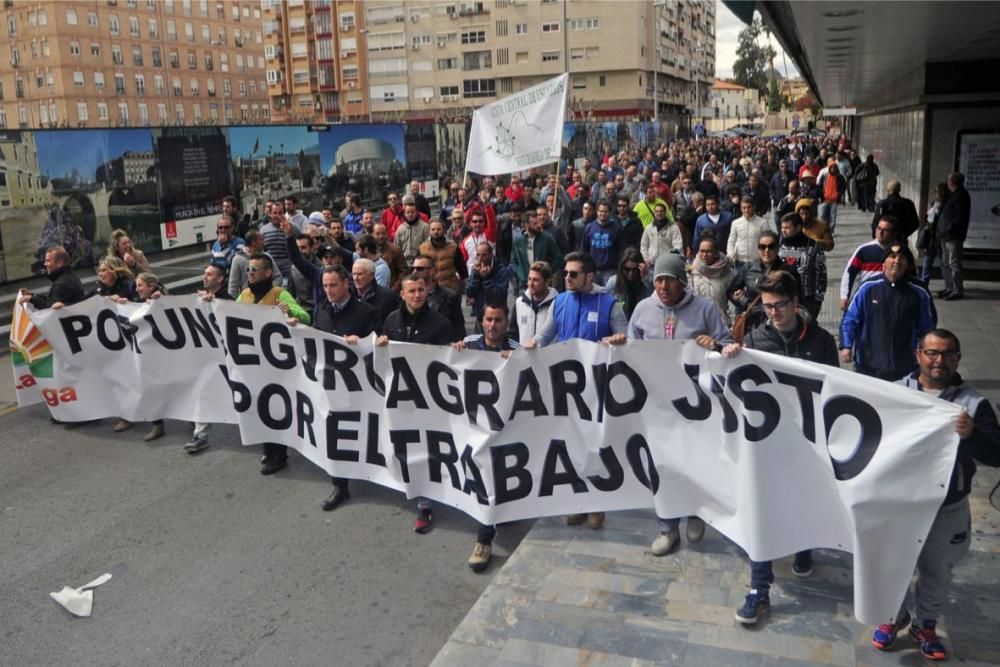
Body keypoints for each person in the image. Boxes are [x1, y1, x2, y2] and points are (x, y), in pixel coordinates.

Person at [870, 329, 1000, 661]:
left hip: (948, 507)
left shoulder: (974, 404)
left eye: (946, 354)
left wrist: (971, 435)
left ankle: (925, 626)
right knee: (892, 565)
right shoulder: (896, 393)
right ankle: (892, 617)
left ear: (957, 359)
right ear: (918, 355)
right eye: (931, 353)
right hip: (901, 504)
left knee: (938, 571)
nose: (938, 360)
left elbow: (996, 454)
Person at [722, 270, 839, 625]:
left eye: (780, 305)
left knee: (803, 498)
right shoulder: (756, 340)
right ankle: (760, 588)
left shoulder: (821, 341)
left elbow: (834, 387)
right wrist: (730, 356)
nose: (773, 313)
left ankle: (803, 547)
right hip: (768, 443)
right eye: (768, 306)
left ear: (795, 303)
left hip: (807, 440)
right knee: (763, 509)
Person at [626, 253, 732, 556]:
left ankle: (696, 514)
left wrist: (714, 346)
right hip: (656, 406)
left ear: (681, 281)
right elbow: (631, 347)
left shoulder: (705, 309)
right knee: (662, 467)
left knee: (696, 462)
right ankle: (667, 527)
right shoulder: (643, 310)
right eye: (658, 280)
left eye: (668, 279)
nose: (663, 286)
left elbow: (725, 343)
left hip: (696, 407)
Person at [526, 251, 629, 530]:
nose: (567, 278)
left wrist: (620, 339)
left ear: (590, 276)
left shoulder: (609, 304)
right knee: (570, 445)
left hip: (599, 387)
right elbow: (544, 336)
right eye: (566, 273)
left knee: (596, 445)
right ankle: (575, 502)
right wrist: (532, 345)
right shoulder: (560, 301)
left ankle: (596, 504)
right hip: (567, 386)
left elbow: (625, 338)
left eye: (573, 274)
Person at [289, 263, 380, 512]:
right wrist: (298, 329)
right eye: (325, 285)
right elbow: (316, 340)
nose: (328, 290)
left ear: (345, 284)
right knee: (334, 432)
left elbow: (380, 346)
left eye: (333, 285)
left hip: (361, 389)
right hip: (330, 387)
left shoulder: (366, 313)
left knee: (366, 431)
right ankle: (340, 484)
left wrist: (361, 343)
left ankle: (374, 470)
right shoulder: (322, 311)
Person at [376, 273, 453, 533]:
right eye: (412, 291)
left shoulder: (440, 323)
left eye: (421, 290)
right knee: (403, 445)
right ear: (403, 294)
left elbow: (449, 364)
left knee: (425, 449)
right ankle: (410, 484)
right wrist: (380, 345)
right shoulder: (391, 320)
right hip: (400, 397)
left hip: (429, 400)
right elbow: (382, 361)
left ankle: (425, 503)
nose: (418, 295)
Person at [452, 301, 520, 572]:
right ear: (481, 321)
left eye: (499, 320)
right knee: (484, 480)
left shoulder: (515, 349)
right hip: (473, 428)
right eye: (489, 320)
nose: (493, 326)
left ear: (506, 323)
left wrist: (521, 361)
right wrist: (454, 352)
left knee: (497, 479)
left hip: (503, 429)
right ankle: (484, 539)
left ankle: (490, 527)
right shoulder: (468, 344)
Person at [237, 254, 310, 475]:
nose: (249, 274)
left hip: (276, 365)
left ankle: (280, 454)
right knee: (260, 408)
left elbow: (305, 317)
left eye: (254, 270)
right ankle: (267, 449)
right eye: (248, 270)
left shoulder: (279, 294)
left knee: (276, 409)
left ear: (268, 273)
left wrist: (289, 312)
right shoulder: (245, 295)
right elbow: (230, 315)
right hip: (254, 364)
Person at [840, 243, 936, 381]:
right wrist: (846, 345)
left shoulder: (919, 292)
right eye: (892, 256)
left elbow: (927, 328)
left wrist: (927, 354)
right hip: (869, 366)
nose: (897, 261)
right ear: (884, 261)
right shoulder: (867, 288)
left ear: (908, 263)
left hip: (905, 367)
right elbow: (849, 320)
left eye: (902, 257)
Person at [186, 263, 232, 454]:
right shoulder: (197, 299)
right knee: (203, 391)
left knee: (243, 397)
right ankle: (200, 435)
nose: (205, 277)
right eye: (204, 273)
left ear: (220, 279)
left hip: (228, 359)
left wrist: (216, 306)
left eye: (210, 274)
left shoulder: (228, 300)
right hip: (207, 359)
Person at [727, 231, 790, 332]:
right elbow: (730, 291)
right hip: (752, 326)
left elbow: (797, 299)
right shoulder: (748, 267)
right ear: (758, 249)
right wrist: (743, 301)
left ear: (778, 248)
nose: (766, 250)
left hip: (779, 324)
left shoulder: (788, 271)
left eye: (771, 246)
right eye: (762, 247)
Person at [839, 216, 898, 311]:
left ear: (894, 234)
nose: (880, 232)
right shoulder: (864, 250)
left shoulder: (900, 253)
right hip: (867, 301)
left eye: (885, 230)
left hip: (892, 302)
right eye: (879, 228)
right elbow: (849, 273)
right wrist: (844, 296)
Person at [778, 212, 827, 322]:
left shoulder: (814, 246)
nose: (783, 231)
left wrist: (818, 300)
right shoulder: (779, 246)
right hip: (782, 297)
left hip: (807, 299)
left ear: (798, 227)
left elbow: (821, 273)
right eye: (782, 227)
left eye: (787, 227)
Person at [937, 172, 971, 301]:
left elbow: (960, 216)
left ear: (952, 182)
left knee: (953, 263)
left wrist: (949, 227)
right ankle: (949, 287)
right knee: (946, 262)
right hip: (946, 235)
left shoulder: (961, 195)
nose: (947, 183)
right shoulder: (954, 194)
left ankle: (957, 290)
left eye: (948, 180)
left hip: (953, 235)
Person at [510, 209, 563, 291]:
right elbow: (513, 261)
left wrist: (546, 272)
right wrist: (520, 273)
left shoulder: (547, 238)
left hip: (543, 284)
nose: (539, 225)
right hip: (524, 285)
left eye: (538, 222)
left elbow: (558, 258)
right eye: (535, 224)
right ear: (527, 225)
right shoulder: (518, 241)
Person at [19, 246, 85, 310]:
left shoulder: (63, 283)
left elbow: (50, 308)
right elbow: (51, 300)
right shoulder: (67, 278)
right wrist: (32, 295)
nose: (45, 264)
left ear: (59, 263)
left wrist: (31, 299)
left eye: (48, 261)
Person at [690, 233, 735, 326]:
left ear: (716, 253)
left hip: (721, 322)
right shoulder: (691, 272)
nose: (704, 255)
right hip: (698, 321)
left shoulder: (728, 272)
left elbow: (732, 302)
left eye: (708, 251)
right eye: (701, 251)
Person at [464, 242, 511, 329]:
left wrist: (486, 279)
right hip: (480, 316)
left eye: (484, 255)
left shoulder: (501, 270)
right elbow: (469, 292)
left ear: (491, 255)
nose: (480, 258)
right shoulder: (476, 269)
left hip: (496, 317)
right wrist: (476, 276)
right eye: (478, 255)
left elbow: (498, 295)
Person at [510, 261, 557, 346]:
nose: (530, 284)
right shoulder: (519, 302)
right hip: (524, 357)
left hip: (549, 358)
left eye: (536, 280)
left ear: (547, 282)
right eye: (529, 279)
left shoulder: (558, 305)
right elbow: (513, 334)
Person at [228, 229, 283, 299]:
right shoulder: (238, 260)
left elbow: (278, 277)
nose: (264, 243)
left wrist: (269, 292)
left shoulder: (267, 257)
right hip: (248, 302)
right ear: (254, 242)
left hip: (269, 301)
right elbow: (233, 286)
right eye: (261, 240)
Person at [418, 219, 466, 293]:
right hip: (430, 290)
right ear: (429, 231)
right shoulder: (422, 248)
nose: (436, 232)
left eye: (438, 229)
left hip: (451, 289)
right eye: (433, 229)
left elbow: (462, 270)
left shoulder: (453, 247)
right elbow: (416, 271)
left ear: (444, 230)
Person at [582, 198, 623, 285]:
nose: (603, 214)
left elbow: (621, 250)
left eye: (605, 211)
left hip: (610, 270)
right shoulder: (589, 228)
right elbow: (584, 250)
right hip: (593, 270)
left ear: (610, 212)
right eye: (600, 211)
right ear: (597, 211)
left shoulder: (617, 228)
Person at [352, 258, 401, 328]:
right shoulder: (348, 294)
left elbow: (393, 323)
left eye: (360, 274)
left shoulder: (388, 296)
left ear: (372, 275)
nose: (356, 278)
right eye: (354, 274)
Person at [605, 248, 651, 321]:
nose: (631, 273)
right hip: (619, 324)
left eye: (634, 270)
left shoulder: (646, 284)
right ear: (621, 268)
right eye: (627, 269)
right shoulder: (613, 283)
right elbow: (605, 308)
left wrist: (645, 279)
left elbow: (650, 305)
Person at [727, 197, 773, 265]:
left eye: (749, 207)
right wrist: (730, 254)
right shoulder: (735, 223)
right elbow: (731, 240)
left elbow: (769, 241)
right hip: (739, 261)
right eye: (744, 208)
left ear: (754, 207)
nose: (747, 210)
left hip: (757, 261)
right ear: (741, 209)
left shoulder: (763, 223)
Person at [919, 183, 948, 287]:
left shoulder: (946, 204)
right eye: (935, 191)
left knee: (943, 261)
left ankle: (948, 285)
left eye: (937, 191)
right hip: (932, 236)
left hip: (940, 236)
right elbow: (927, 217)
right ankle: (924, 282)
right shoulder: (934, 203)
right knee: (928, 260)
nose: (935, 193)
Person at [639, 202, 684, 267]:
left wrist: (670, 258)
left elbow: (678, 246)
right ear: (654, 213)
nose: (659, 213)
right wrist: (646, 259)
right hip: (652, 264)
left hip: (667, 264)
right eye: (657, 211)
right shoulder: (649, 228)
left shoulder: (673, 228)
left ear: (665, 213)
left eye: (661, 211)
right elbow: (644, 245)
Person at [394, 195, 431, 269]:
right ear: (404, 213)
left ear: (416, 212)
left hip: (420, 262)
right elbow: (396, 247)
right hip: (405, 264)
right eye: (408, 212)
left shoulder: (425, 227)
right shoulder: (400, 229)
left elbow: (428, 246)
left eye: (412, 212)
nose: (410, 214)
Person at [372, 223, 407, 291]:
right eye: (378, 234)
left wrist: (395, 288)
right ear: (373, 234)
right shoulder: (369, 251)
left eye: (383, 233)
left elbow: (403, 271)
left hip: (392, 288)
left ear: (387, 234)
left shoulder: (395, 250)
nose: (381, 236)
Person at [816, 161, 848, 232]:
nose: (833, 169)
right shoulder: (825, 176)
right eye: (831, 167)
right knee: (822, 215)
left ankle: (831, 230)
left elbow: (843, 187)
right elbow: (819, 186)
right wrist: (821, 195)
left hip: (834, 200)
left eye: (834, 167)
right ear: (829, 168)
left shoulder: (840, 177)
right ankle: (822, 229)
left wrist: (838, 194)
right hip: (824, 199)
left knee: (832, 216)